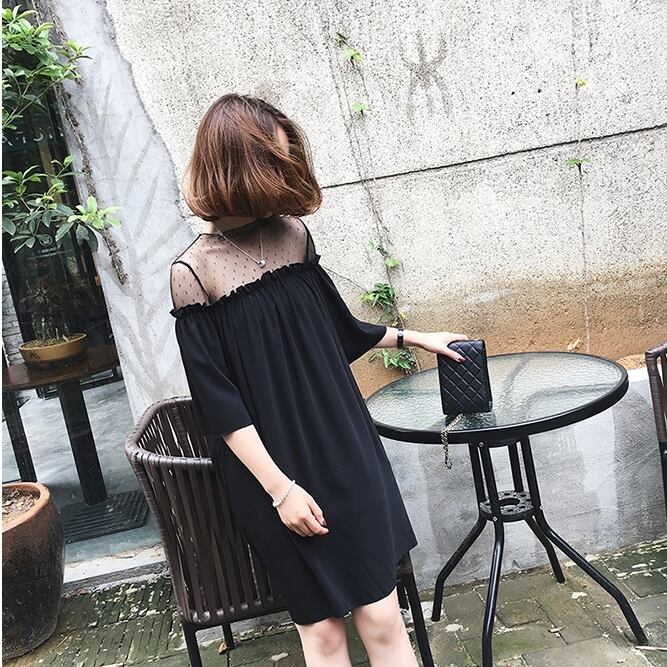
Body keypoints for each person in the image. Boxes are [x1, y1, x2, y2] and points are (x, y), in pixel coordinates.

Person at [169, 93, 469, 666]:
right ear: (238, 167)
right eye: (274, 163)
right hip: (268, 470)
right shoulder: (193, 274)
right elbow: (220, 404)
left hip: (344, 445)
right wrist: (281, 491)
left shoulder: (293, 236)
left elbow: (340, 330)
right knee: (323, 633)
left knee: (383, 616)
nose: (286, 176)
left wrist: (417, 337)